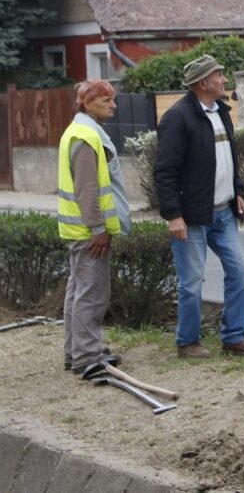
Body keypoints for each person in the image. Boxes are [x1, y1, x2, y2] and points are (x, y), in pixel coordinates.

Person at [155, 54, 244, 358]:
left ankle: (233, 337)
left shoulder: (221, 112)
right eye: (218, 75)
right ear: (203, 83)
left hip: (223, 212)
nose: (224, 79)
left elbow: (229, 159)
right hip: (192, 217)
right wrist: (174, 215)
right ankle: (187, 342)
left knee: (240, 276)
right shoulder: (178, 118)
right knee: (191, 283)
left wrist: (238, 192)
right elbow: (165, 171)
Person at [58, 80, 131, 377]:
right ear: (88, 104)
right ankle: (87, 356)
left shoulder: (77, 131)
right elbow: (87, 189)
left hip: (79, 231)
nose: (113, 105)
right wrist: (99, 228)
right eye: (106, 100)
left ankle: (75, 351)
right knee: (92, 293)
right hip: (89, 233)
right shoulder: (87, 137)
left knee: (77, 291)